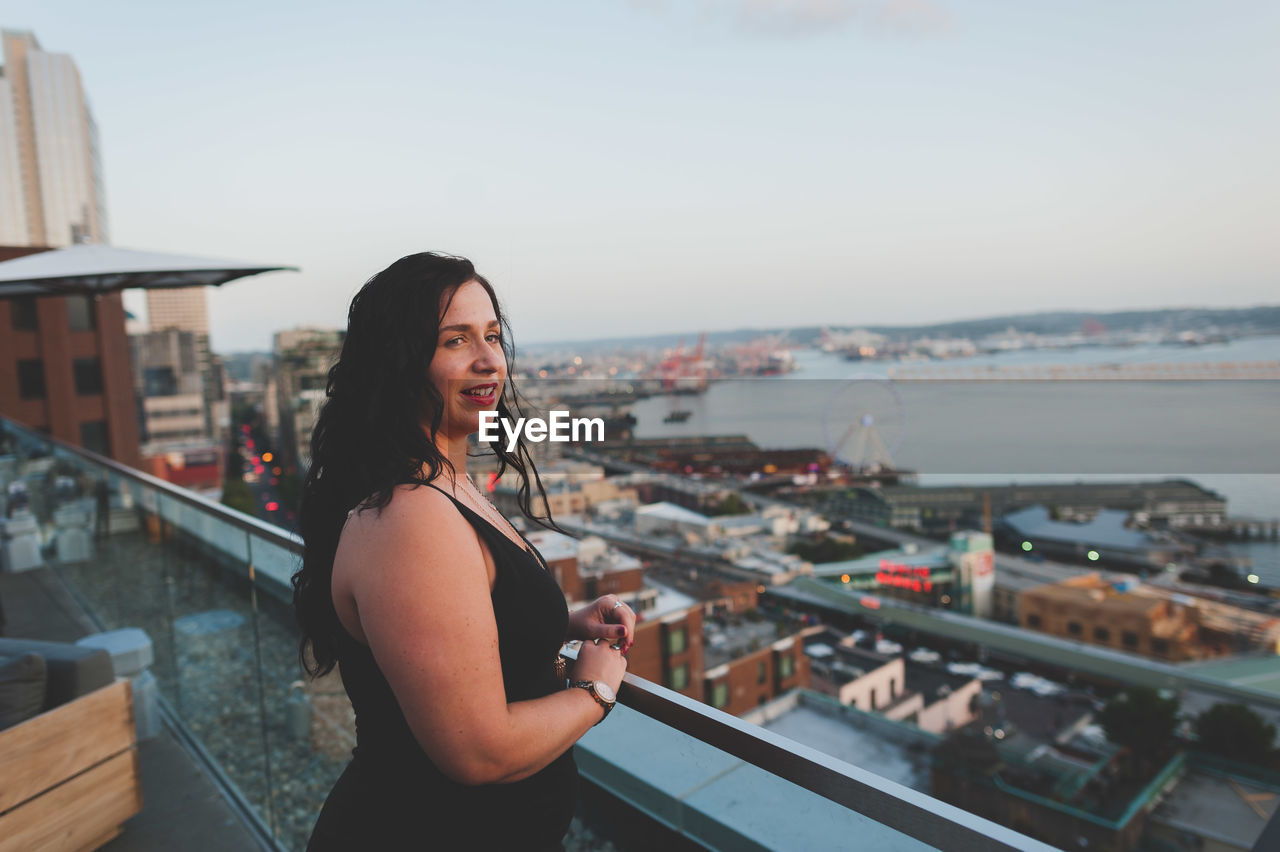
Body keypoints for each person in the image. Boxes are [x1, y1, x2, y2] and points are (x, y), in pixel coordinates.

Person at [293, 252, 634, 851]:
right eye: (456, 340)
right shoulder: (410, 514)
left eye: (494, 337)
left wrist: (559, 622)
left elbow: (453, 619)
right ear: (399, 363)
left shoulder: (444, 482)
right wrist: (594, 692)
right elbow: (479, 752)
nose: (489, 361)